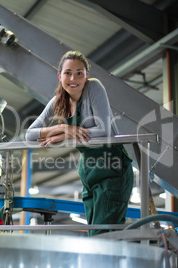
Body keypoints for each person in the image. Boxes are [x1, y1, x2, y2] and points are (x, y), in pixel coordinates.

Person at [25, 51, 133, 236]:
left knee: (104, 235)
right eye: (67, 73)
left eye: (79, 73)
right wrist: (62, 130)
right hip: (89, 172)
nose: (73, 78)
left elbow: (104, 130)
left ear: (87, 76)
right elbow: (29, 135)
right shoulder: (58, 102)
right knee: (94, 234)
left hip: (112, 169)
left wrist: (66, 135)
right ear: (60, 76)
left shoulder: (94, 88)